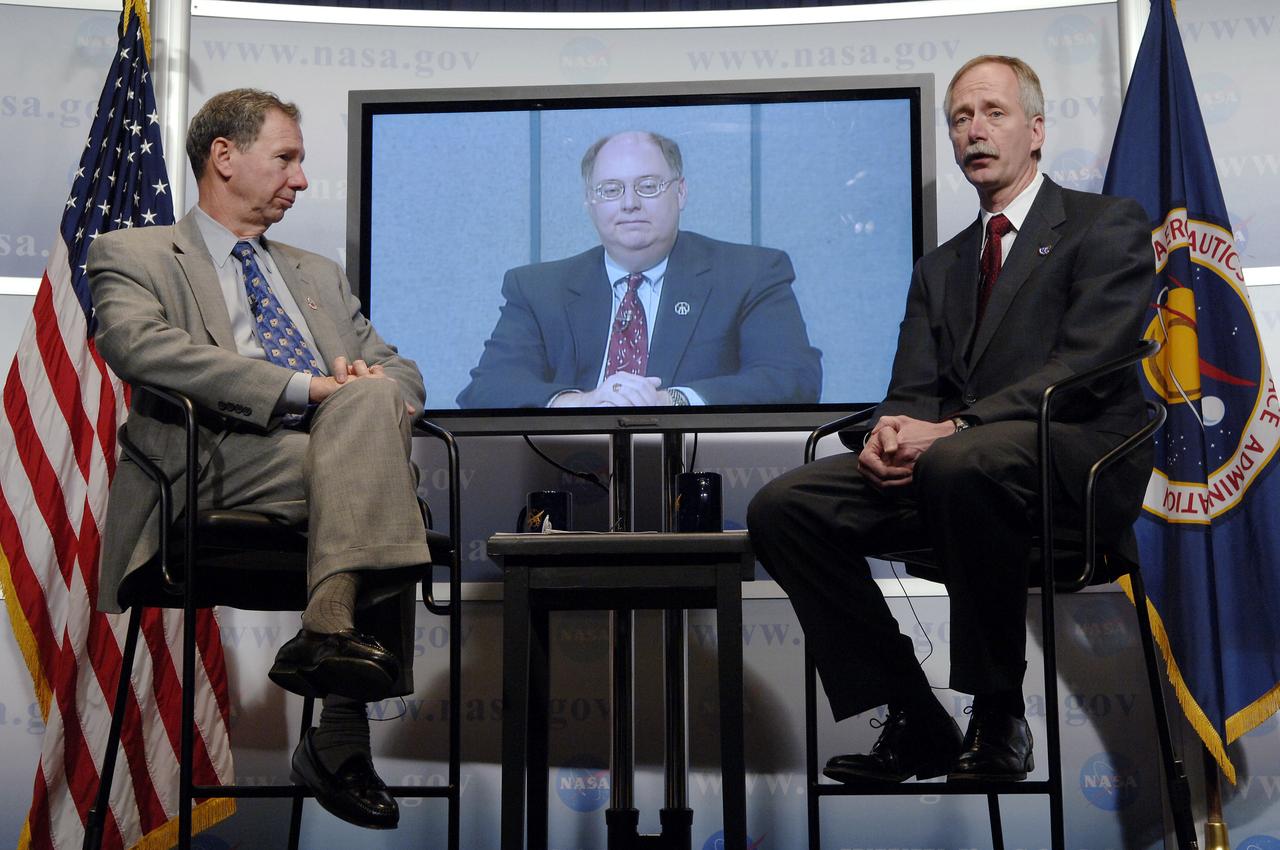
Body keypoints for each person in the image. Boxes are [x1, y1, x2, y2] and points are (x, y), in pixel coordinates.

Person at [747, 56, 1153, 784]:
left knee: (962, 460)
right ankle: (914, 717)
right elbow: (913, 392)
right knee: (784, 507)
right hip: (954, 475)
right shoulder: (941, 266)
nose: (974, 130)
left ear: (1035, 131)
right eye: (960, 118)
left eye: (992, 113)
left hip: (1070, 475)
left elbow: (1089, 364)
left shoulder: (1104, 225)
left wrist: (956, 431)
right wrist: (890, 436)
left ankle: (997, 714)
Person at [89, 89, 429, 830]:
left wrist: (373, 395)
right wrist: (305, 389)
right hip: (210, 459)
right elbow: (138, 347)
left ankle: (327, 627)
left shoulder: (316, 272)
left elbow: (397, 371)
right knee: (383, 475)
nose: (301, 179)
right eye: (287, 158)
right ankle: (339, 731)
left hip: (325, 459)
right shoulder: (134, 252)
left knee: (369, 418)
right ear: (224, 157)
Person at [456, 130, 822, 409]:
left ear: (680, 193)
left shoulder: (750, 274)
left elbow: (793, 378)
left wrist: (671, 401)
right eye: (611, 189)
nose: (630, 203)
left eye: (648, 186)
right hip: (567, 466)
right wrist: (582, 402)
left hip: (703, 467)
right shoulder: (537, 288)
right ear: (590, 202)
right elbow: (486, 388)